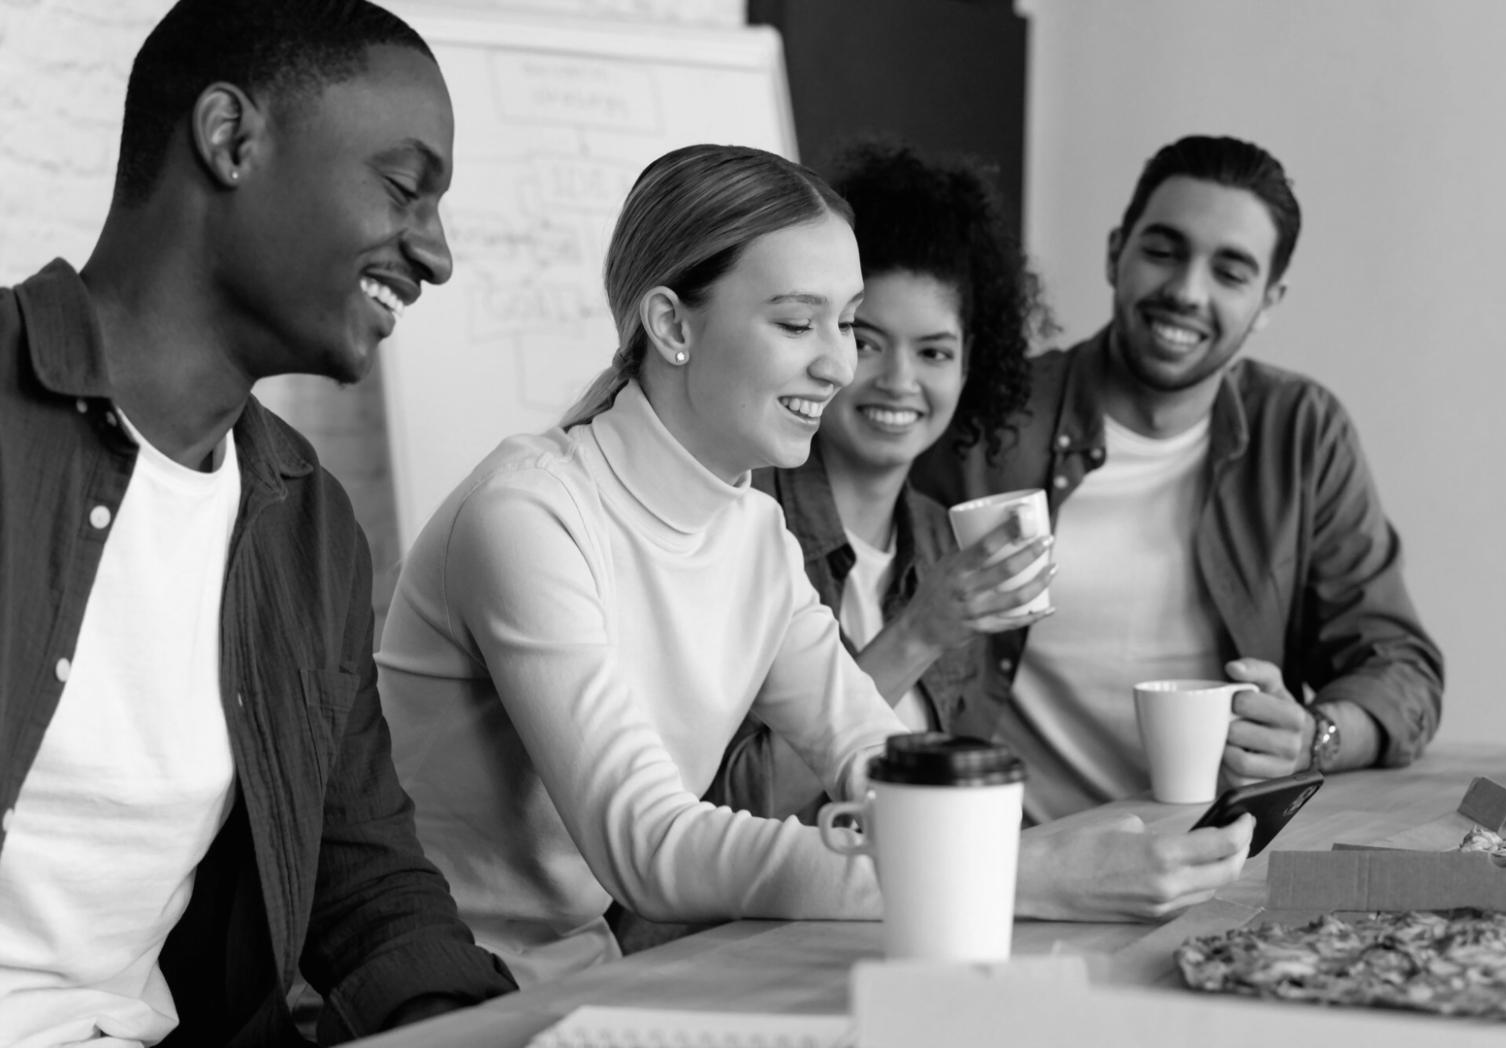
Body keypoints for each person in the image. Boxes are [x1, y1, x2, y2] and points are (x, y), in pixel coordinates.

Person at [376, 143, 1254, 986]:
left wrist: (1038, 848)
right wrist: (1012, 874)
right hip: (440, 995)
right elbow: (649, 848)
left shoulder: (751, 531)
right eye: (799, 323)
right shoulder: (530, 514)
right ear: (671, 324)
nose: (837, 364)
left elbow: (869, 751)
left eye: (843, 322)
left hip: (583, 975)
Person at [0, 2, 517, 1045]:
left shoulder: (306, 524)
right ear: (231, 138)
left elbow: (362, 875)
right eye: (403, 187)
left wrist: (466, 1023)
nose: (436, 254)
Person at [914, 134, 1445, 822]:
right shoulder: (992, 417)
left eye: (1230, 272)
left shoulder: (1301, 432)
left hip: (1220, 852)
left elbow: (1402, 668)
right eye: (1163, 252)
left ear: (1269, 301)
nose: (1186, 292)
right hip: (1011, 851)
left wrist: (1314, 738)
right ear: (1116, 253)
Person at [704, 139, 1055, 824]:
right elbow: (733, 803)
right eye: (865, 342)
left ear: (970, 367)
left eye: (934, 352)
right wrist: (921, 631)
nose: (899, 381)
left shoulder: (942, 540)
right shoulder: (742, 521)